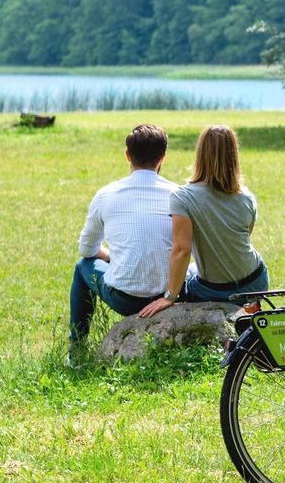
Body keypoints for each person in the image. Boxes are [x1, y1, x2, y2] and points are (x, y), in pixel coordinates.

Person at [70, 123, 180, 350]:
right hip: (168, 292)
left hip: (124, 298)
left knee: (83, 266)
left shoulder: (106, 194)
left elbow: (87, 250)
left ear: (128, 156)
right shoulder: (179, 195)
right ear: (163, 157)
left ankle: (77, 345)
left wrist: (111, 256)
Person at [138, 124, 267, 318]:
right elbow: (241, 239)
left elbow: (182, 250)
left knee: (188, 277)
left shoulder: (183, 197)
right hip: (256, 280)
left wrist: (170, 296)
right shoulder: (247, 198)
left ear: (200, 154)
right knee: (192, 269)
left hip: (214, 291)